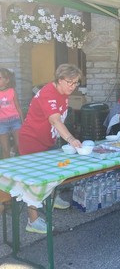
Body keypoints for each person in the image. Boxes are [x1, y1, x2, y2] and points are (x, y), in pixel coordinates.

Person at [19, 63, 82, 234]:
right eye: (70, 82)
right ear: (59, 80)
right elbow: (55, 120)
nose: (73, 86)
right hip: (31, 140)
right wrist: (70, 139)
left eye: (76, 83)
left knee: (54, 170)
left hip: (47, 139)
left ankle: (52, 198)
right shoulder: (49, 93)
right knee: (34, 180)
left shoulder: (63, 92)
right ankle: (32, 220)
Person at [0, 68, 23, 158]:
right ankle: (6, 169)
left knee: (19, 145)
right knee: (5, 149)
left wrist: (22, 121)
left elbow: (18, 107)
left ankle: (14, 151)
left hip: (15, 121)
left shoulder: (12, 91)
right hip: (2, 123)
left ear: (7, 80)